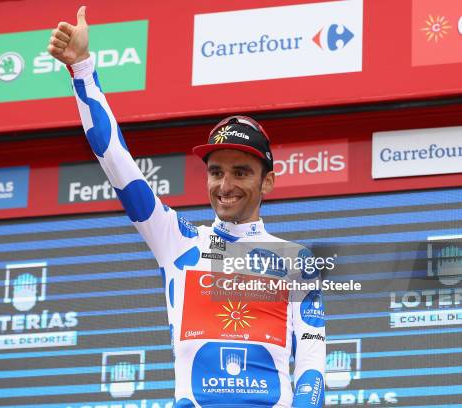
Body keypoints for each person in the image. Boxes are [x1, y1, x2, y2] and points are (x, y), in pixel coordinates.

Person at [48, 6, 325, 407]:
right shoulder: (178, 242)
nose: (225, 186)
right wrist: (82, 68)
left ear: (267, 181)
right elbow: (114, 158)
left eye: (241, 173)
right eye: (216, 172)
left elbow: (313, 370)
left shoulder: (298, 263)